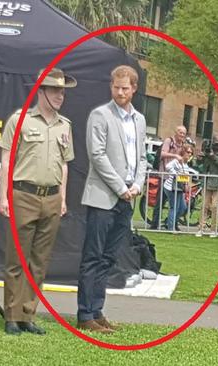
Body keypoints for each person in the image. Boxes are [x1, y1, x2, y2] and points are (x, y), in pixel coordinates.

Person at [0, 68, 76, 335]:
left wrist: (63, 198)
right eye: (55, 90)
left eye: (62, 91)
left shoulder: (65, 125)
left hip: (52, 197)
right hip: (23, 194)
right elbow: (6, 160)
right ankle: (11, 315)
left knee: (39, 261)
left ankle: (27, 316)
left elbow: (64, 166)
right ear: (40, 91)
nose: (60, 95)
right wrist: (3, 195)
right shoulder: (19, 119)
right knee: (16, 259)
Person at [78, 65, 146, 334]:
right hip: (103, 196)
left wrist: (138, 184)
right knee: (93, 256)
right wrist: (121, 187)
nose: (120, 92)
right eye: (116, 87)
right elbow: (97, 156)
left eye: (125, 88)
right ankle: (85, 314)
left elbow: (141, 157)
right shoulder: (100, 115)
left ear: (134, 89)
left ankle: (97, 310)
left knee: (108, 258)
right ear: (111, 87)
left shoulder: (139, 120)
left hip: (127, 198)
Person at [150, 125, 187, 229]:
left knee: (181, 205)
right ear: (175, 132)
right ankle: (154, 225)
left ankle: (171, 223)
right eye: (180, 132)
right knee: (160, 201)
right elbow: (162, 154)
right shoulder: (168, 141)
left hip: (178, 178)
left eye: (184, 133)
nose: (182, 135)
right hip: (165, 176)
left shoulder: (183, 145)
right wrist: (175, 156)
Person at [196, 135, 218, 238]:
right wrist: (200, 158)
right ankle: (201, 228)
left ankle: (213, 229)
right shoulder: (208, 147)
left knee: (215, 206)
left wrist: (213, 156)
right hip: (207, 181)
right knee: (204, 205)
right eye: (217, 142)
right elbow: (202, 164)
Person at [163, 146, 198, 232]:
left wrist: (186, 184)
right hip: (171, 187)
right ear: (183, 152)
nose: (189, 154)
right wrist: (176, 174)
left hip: (179, 188)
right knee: (174, 207)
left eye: (191, 153)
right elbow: (167, 166)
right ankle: (171, 228)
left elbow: (185, 177)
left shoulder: (185, 164)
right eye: (188, 152)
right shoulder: (177, 161)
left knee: (183, 207)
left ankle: (173, 223)